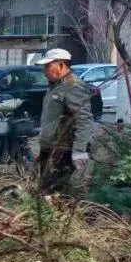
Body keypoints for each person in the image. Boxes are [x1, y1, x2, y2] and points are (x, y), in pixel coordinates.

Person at [37, 48, 94, 194]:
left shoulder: (73, 86)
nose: (44, 71)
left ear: (61, 65)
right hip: (50, 145)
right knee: (44, 188)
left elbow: (84, 119)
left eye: (47, 66)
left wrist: (79, 150)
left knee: (53, 190)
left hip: (64, 148)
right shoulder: (56, 86)